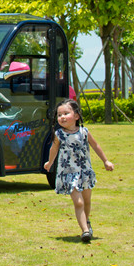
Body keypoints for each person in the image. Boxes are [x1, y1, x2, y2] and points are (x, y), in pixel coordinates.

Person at [44, 99, 114, 243]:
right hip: (68, 172)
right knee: (79, 202)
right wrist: (50, 163)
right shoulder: (59, 134)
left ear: (76, 116)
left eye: (66, 113)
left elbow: (95, 146)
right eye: (59, 114)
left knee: (87, 201)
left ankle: (86, 222)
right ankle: (85, 231)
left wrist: (105, 161)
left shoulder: (84, 132)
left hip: (85, 171)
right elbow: (54, 148)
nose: (62, 117)